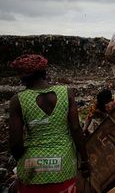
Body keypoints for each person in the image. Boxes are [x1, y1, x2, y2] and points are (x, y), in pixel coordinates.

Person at [8, 54, 90, 192]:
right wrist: (85, 160)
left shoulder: (18, 100)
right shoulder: (66, 93)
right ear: (44, 72)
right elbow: (76, 129)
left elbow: (15, 145)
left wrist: (27, 158)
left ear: (22, 78)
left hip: (32, 167)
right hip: (64, 163)